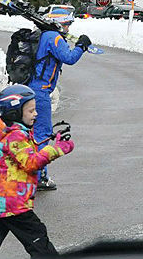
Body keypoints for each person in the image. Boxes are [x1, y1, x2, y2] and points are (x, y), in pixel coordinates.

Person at [0, 84, 74, 259]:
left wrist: (51, 140)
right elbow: (31, 162)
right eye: (31, 111)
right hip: (14, 203)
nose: (36, 114)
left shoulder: (13, 132)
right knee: (38, 238)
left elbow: (25, 155)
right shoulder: (15, 136)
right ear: (15, 113)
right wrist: (57, 149)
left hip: (1, 202)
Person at [27, 15, 89, 190]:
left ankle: (29, 172)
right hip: (40, 92)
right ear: (60, 24)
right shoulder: (53, 37)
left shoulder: (42, 34)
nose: (68, 28)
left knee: (32, 134)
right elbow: (68, 57)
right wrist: (81, 46)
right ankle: (39, 177)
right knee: (42, 134)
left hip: (29, 88)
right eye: (67, 24)